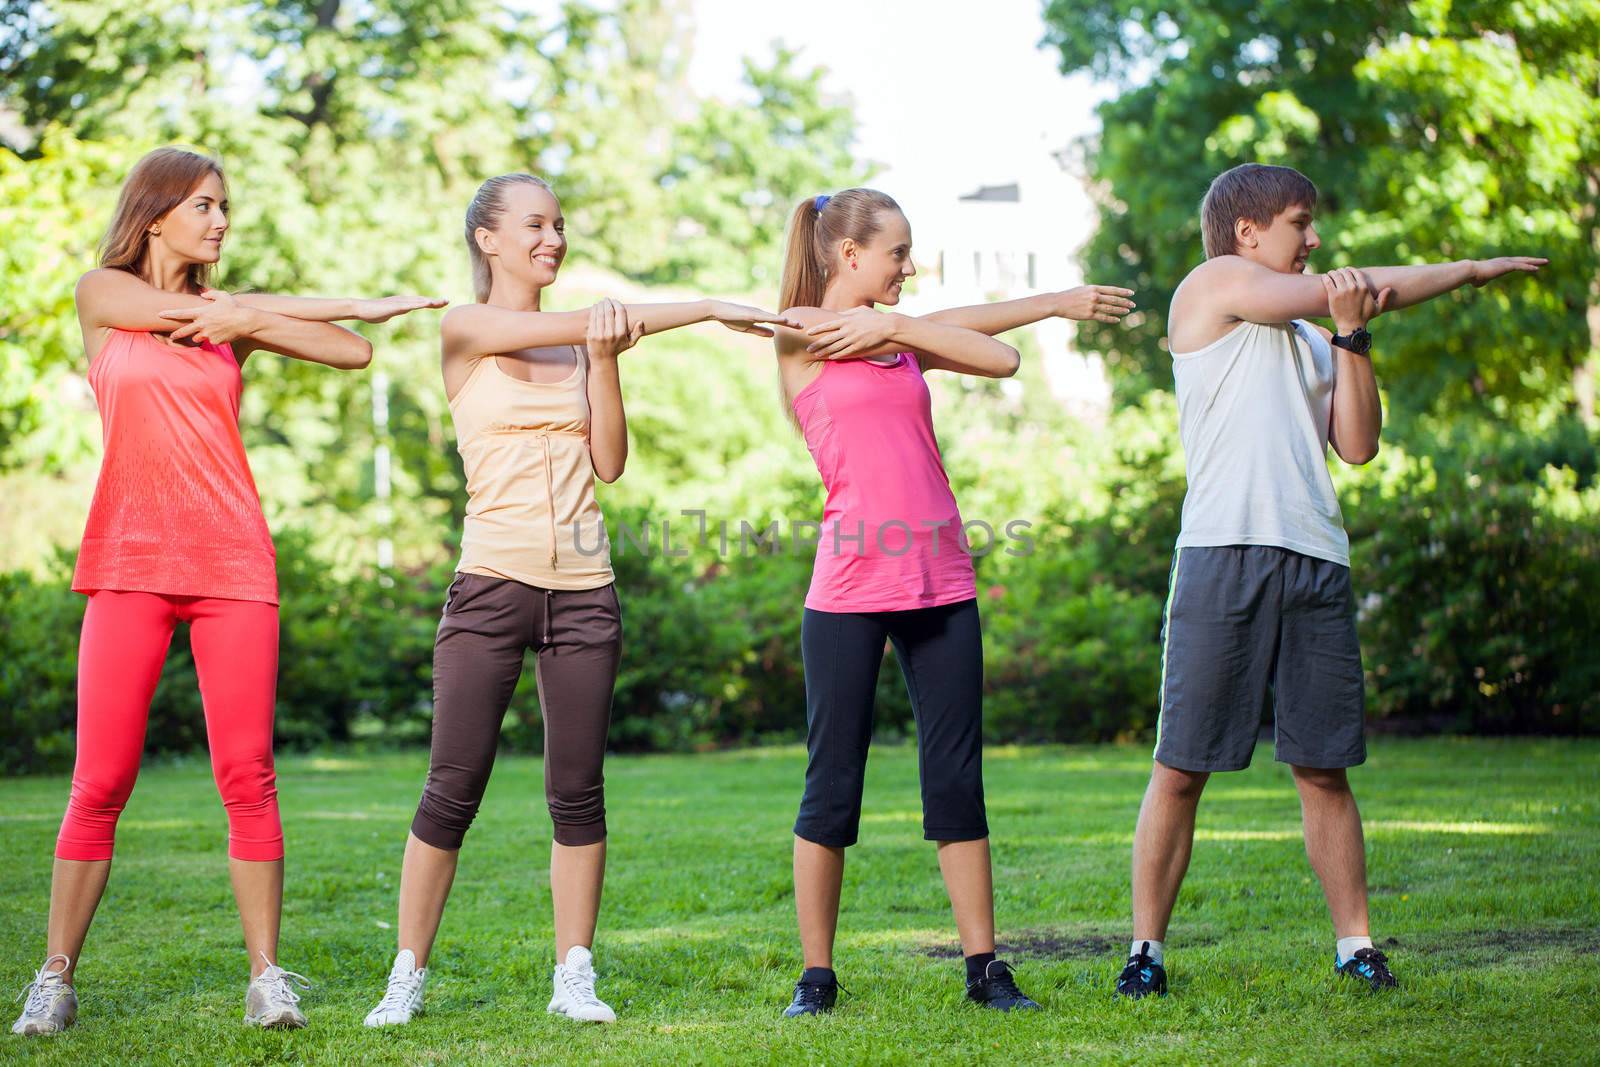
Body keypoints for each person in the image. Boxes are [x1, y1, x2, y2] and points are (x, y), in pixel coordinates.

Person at [10, 146, 443, 1037]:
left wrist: (300, 312)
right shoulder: (106, 298)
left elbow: (352, 353)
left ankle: (266, 975)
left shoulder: (226, 317)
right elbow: (166, 308)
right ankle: (54, 976)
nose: (219, 220)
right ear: (156, 213)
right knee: (100, 778)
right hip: (129, 561)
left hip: (232, 564)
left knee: (247, 774)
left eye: (224, 207)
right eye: (203, 205)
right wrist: (253, 310)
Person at [362, 172, 798, 1028]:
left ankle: (575, 974)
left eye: (559, 224)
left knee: (578, 790)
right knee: (452, 788)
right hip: (490, 583)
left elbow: (609, 461)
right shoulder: (467, 326)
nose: (553, 238)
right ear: (487, 239)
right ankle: (405, 974)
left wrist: (604, 357)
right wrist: (705, 305)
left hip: (585, 593)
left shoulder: (579, 342)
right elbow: (563, 319)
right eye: (534, 224)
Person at [1114, 162, 1546, 999]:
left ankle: (1356, 944)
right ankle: (1146, 951)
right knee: (1181, 765)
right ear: (1248, 233)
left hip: (1315, 556)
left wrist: (1352, 336)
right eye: (1299, 223)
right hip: (1222, 553)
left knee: (1323, 765)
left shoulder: (1314, 337)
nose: (1314, 240)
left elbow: (1357, 442)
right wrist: (1468, 270)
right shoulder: (1211, 288)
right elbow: (1366, 284)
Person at [771, 187, 1136, 1016]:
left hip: (941, 581)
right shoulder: (801, 335)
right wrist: (892, 326)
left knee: (956, 781)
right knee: (831, 784)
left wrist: (1055, 303)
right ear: (847, 255)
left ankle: (985, 968)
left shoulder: (903, 342)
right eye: (896, 252)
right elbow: (795, 323)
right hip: (849, 592)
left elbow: (998, 352)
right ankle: (816, 976)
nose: (909, 266)